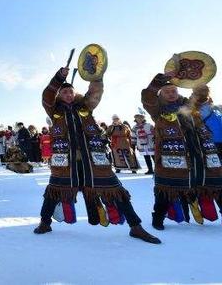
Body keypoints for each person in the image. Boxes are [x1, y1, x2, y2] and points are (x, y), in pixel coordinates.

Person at [34, 66, 160, 244]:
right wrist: (58, 78)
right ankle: (45, 222)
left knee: (116, 191)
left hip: (93, 159)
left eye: (71, 92)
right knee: (54, 191)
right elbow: (47, 95)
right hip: (66, 160)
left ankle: (136, 227)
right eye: (64, 92)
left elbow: (95, 92)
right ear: (59, 95)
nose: (68, 95)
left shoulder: (85, 106)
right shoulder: (53, 110)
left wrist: (96, 76)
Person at [142, 75, 222, 229]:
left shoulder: (187, 104)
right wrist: (158, 81)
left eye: (174, 91)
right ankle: (157, 218)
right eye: (167, 92)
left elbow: (201, 99)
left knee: (215, 183)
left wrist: (200, 88)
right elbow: (148, 97)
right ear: (161, 94)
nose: (171, 94)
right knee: (166, 188)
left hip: (199, 152)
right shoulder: (157, 108)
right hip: (172, 155)